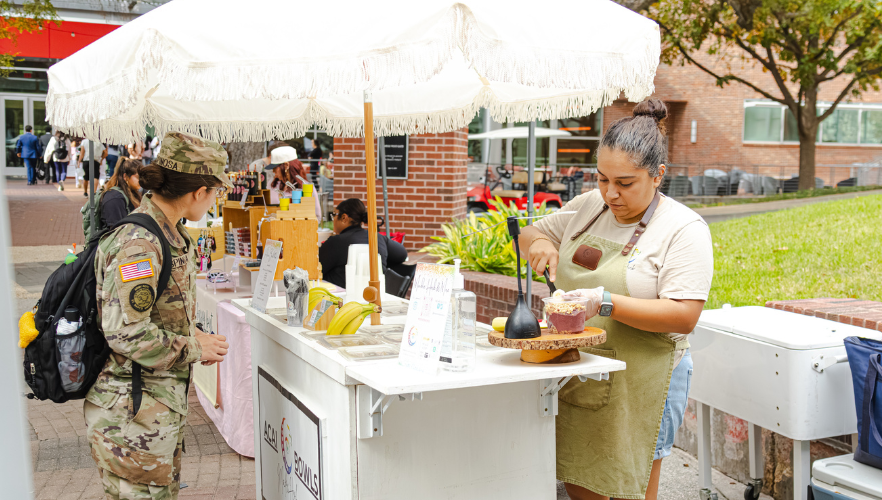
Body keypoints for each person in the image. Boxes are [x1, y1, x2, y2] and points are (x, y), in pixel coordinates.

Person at [519, 99, 713, 500]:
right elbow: (529, 233)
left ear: (658, 175)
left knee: (631, 486)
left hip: (646, 377)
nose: (611, 193)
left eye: (625, 183)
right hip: (582, 371)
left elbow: (683, 316)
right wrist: (538, 243)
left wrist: (604, 302)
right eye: (603, 178)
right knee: (581, 476)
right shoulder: (589, 206)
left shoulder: (684, 230)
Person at [85, 131, 232, 499]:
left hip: (151, 410)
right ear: (199, 192)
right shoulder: (140, 243)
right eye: (215, 192)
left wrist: (193, 334)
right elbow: (126, 334)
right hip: (131, 418)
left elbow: (159, 314)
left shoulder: (167, 234)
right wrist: (194, 348)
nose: (214, 201)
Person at [319, 198, 408, 288]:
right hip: (374, 295)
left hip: (341, 298)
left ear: (344, 218)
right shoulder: (377, 238)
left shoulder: (336, 242)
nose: (333, 219)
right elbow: (402, 255)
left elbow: (315, 270)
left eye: (334, 215)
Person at [99, 158, 143, 228]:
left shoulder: (130, 193)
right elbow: (115, 230)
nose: (141, 180)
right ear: (125, 176)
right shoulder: (115, 199)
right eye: (138, 177)